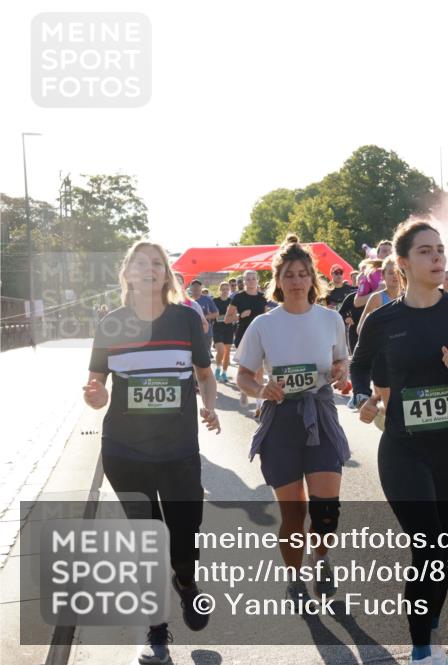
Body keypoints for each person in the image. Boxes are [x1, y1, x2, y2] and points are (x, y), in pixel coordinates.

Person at [350, 219, 448, 665]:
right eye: (425, 251)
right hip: (403, 449)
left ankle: (429, 621)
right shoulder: (383, 320)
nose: (437, 257)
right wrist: (363, 398)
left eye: (440, 249)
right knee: (429, 542)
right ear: (402, 263)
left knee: (441, 550)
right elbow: (360, 368)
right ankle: (421, 649)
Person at [84, 241, 220, 665]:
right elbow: (95, 386)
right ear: (127, 273)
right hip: (125, 450)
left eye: (156, 263)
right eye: (140, 263)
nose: (148, 269)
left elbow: (204, 374)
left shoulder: (185, 319)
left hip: (178, 450)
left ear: (166, 274)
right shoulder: (111, 325)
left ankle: (185, 581)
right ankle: (156, 633)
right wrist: (94, 394)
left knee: (183, 533)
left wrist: (209, 404)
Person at [236, 234, 351, 603]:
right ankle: (294, 576)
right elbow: (244, 375)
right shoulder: (263, 325)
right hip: (281, 422)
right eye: (289, 274)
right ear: (278, 281)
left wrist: (340, 370)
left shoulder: (330, 319)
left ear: (312, 279)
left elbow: (341, 360)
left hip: (320, 413)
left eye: (303, 274)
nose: (297, 281)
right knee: (293, 514)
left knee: (325, 510)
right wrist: (261, 389)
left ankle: (322, 559)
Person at [226, 270, 268, 409]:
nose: (251, 281)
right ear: (244, 282)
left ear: (257, 280)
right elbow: (227, 319)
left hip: (260, 336)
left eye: (253, 278)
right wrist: (240, 316)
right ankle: (244, 390)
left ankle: (259, 404)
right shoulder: (238, 298)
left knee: (259, 370)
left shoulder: (263, 298)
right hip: (243, 335)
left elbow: (268, 317)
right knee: (245, 370)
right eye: (248, 279)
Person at [357, 255, 402, 331]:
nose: (395, 276)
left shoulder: (408, 297)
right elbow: (360, 329)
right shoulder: (377, 298)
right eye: (391, 273)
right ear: (383, 275)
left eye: (398, 272)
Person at [355, 240, 394, 307]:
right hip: (379, 314)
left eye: (391, 251)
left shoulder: (403, 271)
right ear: (378, 255)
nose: (388, 254)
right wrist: (377, 291)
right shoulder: (369, 274)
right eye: (384, 251)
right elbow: (357, 302)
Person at [212, 281, 236, 382]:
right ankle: (218, 368)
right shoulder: (215, 300)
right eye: (223, 289)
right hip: (217, 328)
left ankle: (224, 373)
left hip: (229, 329)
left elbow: (235, 315)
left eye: (227, 289)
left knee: (227, 352)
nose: (225, 291)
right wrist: (216, 316)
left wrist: (233, 317)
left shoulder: (232, 301)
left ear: (229, 290)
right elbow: (212, 313)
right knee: (221, 351)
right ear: (220, 290)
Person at [190, 279, 219, 356]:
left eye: (198, 287)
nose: (196, 289)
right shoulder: (187, 300)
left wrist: (204, 317)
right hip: (191, 331)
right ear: (191, 289)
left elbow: (216, 313)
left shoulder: (207, 299)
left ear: (201, 288)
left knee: (204, 355)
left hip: (205, 331)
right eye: (194, 287)